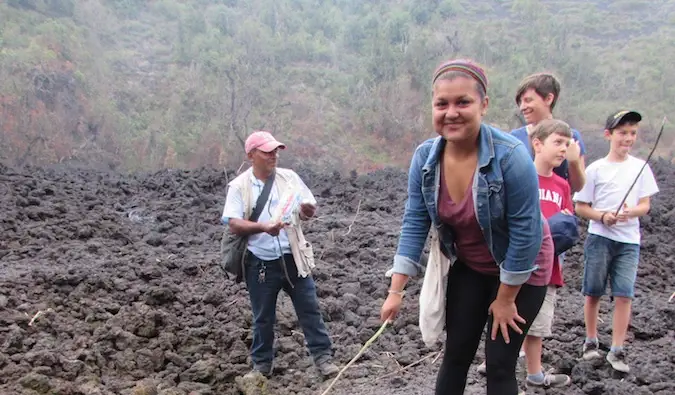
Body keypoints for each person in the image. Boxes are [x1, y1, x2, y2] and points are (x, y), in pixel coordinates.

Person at [379, 59, 554, 395]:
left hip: (523, 272)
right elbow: (415, 222)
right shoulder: (425, 159)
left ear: (483, 105)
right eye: (442, 104)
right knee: (456, 355)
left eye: (463, 102)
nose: (451, 112)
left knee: (500, 363)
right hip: (473, 266)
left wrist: (505, 299)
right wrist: (395, 291)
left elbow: (526, 235)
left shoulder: (511, 157)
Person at [221, 131, 339, 382]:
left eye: (275, 150)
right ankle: (262, 365)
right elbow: (233, 223)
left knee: (309, 309)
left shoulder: (290, 178)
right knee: (263, 317)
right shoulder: (239, 187)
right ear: (251, 155)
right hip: (260, 262)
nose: (273, 155)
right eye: (267, 152)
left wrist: (308, 211)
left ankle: (323, 359)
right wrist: (263, 228)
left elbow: (308, 210)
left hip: (292, 257)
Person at [573, 111, 659, 373]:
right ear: (608, 135)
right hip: (600, 238)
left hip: (629, 242)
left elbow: (645, 204)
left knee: (625, 294)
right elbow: (580, 206)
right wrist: (603, 216)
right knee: (593, 291)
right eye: (622, 133)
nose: (628, 138)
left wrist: (630, 212)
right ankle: (590, 341)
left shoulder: (641, 167)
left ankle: (617, 349)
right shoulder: (596, 169)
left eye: (632, 133)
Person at [519, 119, 577, 388]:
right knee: (509, 315)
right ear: (537, 143)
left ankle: (534, 373)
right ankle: (499, 366)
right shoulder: (520, 177)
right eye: (558, 142)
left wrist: (564, 225)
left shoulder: (562, 186)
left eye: (567, 144)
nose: (563, 149)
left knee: (539, 323)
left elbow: (566, 225)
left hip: (548, 266)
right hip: (517, 264)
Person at [510, 73, 587, 193]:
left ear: (548, 99)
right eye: (520, 102)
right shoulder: (514, 138)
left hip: (557, 207)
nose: (522, 107)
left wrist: (574, 162)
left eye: (528, 100)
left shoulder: (571, 137)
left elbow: (578, 187)